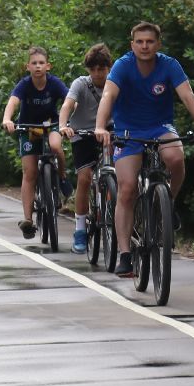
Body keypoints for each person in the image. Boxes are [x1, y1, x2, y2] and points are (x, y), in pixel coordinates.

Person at [94, 22, 194, 278]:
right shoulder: (122, 66)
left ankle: (167, 204)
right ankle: (126, 254)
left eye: (150, 41)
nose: (145, 46)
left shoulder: (169, 65)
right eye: (139, 41)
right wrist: (100, 127)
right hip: (128, 130)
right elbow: (108, 96)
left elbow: (187, 96)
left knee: (175, 157)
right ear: (132, 44)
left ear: (158, 44)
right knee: (127, 188)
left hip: (159, 127)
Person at [0, 46, 69, 240]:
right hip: (28, 128)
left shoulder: (54, 83)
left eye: (41, 63)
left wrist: (73, 112)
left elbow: (69, 100)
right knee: (29, 172)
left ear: (48, 66)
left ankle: (62, 176)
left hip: (51, 124)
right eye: (34, 63)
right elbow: (13, 102)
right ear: (27, 66)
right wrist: (8, 119)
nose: (38, 66)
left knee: (56, 146)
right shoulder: (24, 84)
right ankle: (28, 220)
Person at [58, 43, 114, 253]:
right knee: (85, 177)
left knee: (124, 173)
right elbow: (68, 105)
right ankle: (80, 229)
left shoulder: (116, 83)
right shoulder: (81, 84)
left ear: (109, 67)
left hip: (110, 131)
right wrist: (63, 125)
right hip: (83, 134)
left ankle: (116, 211)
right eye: (93, 69)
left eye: (102, 69)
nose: (98, 74)